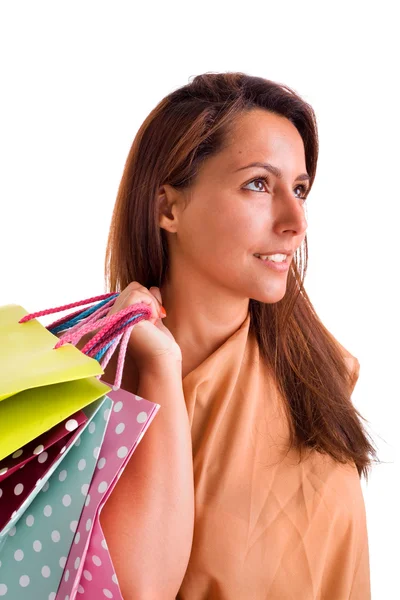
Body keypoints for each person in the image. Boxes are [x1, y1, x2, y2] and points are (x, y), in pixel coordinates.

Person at [97, 72, 379, 599]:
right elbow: (136, 591)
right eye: (258, 184)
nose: (296, 221)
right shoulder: (97, 394)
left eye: (299, 189)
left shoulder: (317, 380)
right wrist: (158, 369)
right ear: (168, 208)